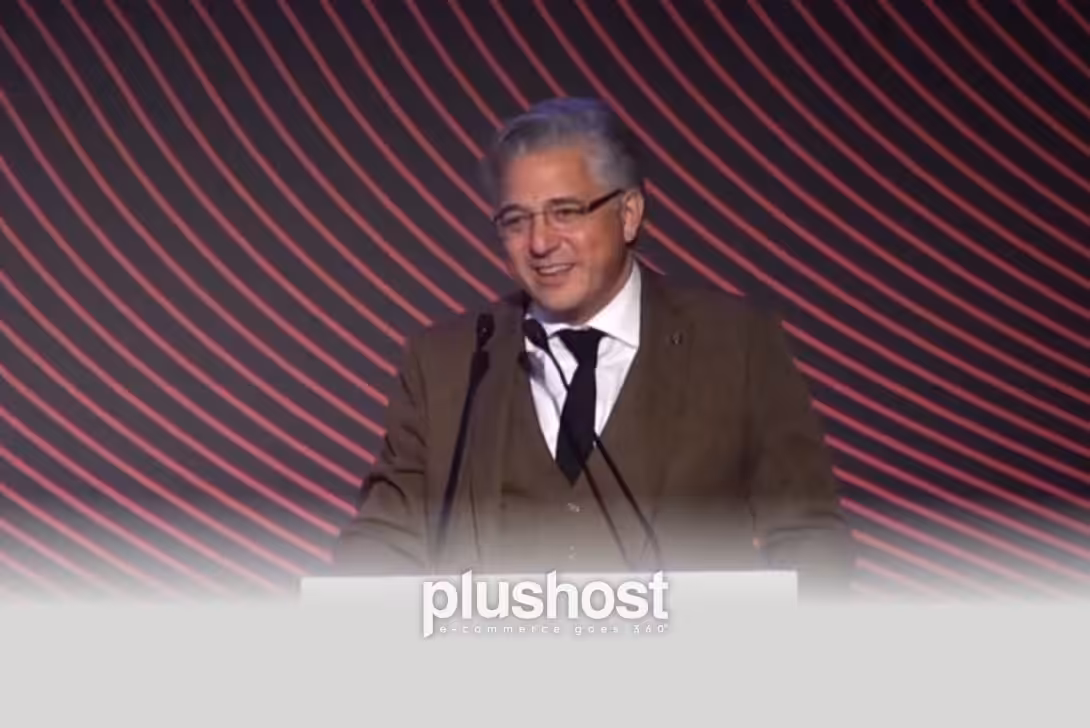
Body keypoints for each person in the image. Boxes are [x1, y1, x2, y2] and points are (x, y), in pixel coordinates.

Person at [332, 98, 854, 599]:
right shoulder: (448, 362)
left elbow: (810, 538)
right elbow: (382, 545)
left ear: (628, 214)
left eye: (565, 212)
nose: (540, 243)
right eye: (516, 220)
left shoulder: (736, 346)